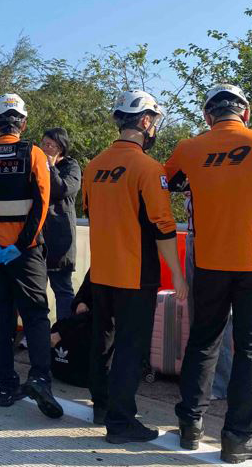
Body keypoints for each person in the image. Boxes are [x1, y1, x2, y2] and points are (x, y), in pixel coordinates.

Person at [166, 84, 252, 464]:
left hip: (209, 262)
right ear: (246, 113)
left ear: (208, 116)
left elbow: (170, 183)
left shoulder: (189, 148)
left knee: (203, 340)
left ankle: (190, 425)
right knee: (250, 350)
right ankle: (239, 437)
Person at [83, 90, 187, 443]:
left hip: (101, 271)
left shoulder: (94, 166)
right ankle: (121, 421)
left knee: (103, 338)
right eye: (153, 121)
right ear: (145, 121)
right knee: (131, 346)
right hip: (135, 272)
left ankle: (101, 405)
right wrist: (178, 276)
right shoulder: (148, 168)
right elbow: (163, 226)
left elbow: (92, 212)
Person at [0, 93, 64, 419]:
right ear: (23, 122)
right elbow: (42, 204)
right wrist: (21, 245)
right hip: (26, 253)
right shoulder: (34, 154)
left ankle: (6, 386)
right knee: (35, 316)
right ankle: (40, 379)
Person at [185, 190, 233, 400]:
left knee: (217, 316)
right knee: (199, 316)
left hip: (216, 240)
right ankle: (203, 381)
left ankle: (218, 383)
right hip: (196, 237)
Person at [40, 127, 81, 321]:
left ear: (61, 148)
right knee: (35, 290)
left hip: (60, 237)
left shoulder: (71, 166)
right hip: (37, 237)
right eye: (43, 144)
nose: (45, 148)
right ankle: (37, 332)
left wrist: (50, 167)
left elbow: (62, 189)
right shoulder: (36, 165)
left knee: (63, 289)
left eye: (50, 145)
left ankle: (64, 333)